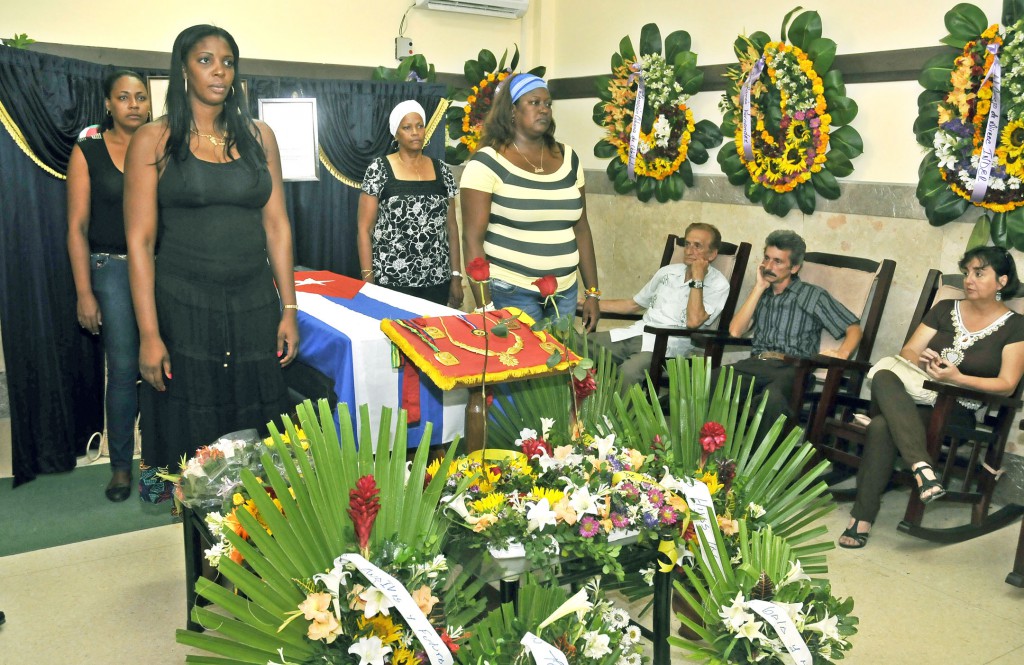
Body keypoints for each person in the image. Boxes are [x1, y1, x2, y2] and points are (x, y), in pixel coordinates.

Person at [124, 25, 297, 502]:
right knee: (192, 447)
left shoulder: (261, 136)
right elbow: (139, 243)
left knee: (259, 451)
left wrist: (289, 309)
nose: (219, 69)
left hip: (254, 306)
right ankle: (201, 553)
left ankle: (257, 554)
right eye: (205, 60)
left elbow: (278, 226)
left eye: (227, 60)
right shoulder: (153, 140)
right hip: (184, 310)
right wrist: (150, 334)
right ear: (183, 69)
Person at [839, 247, 1024, 548]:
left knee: (882, 427)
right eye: (967, 273)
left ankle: (862, 517)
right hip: (916, 393)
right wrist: (924, 362)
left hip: (956, 409)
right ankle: (923, 467)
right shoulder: (944, 309)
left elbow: (1006, 385)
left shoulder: (1016, 326)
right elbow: (908, 351)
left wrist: (957, 378)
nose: (969, 280)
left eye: (979, 273)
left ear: (1001, 282)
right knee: (885, 374)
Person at [66, 69, 151, 502]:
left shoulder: (163, 147)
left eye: (140, 96)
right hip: (112, 269)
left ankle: (159, 463)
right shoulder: (89, 151)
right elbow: (77, 227)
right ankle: (121, 466)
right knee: (122, 370)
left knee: (164, 367)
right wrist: (84, 291)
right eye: (124, 97)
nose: (134, 104)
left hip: (160, 268)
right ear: (108, 104)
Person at [460, 73, 600, 331]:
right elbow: (471, 240)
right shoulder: (486, 163)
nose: (544, 110)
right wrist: (484, 307)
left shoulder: (569, 158)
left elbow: (581, 227)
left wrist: (592, 292)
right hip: (511, 290)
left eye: (547, 104)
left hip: (564, 292)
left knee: (560, 368)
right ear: (512, 110)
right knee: (521, 367)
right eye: (534, 103)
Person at [725, 230, 861, 437]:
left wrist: (843, 353)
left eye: (778, 261)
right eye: (767, 259)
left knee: (772, 399)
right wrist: (759, 288)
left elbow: (854, 329)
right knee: (711, 381)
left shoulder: (812, 295)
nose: (769, 267)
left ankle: (759, 462)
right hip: (757, 364)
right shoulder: (761, 294)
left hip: (793, 369)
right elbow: (735, 331)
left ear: (795, 267)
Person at [590, 223, 730, 388]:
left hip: (666, 348)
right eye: (687, 244)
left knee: (628, 372)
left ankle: (614, 415)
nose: (689, 250)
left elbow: (693, 322)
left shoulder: (718, 284)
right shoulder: (667, 272)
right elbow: (633, 304)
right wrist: (588, 303)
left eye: (697, 246)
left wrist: (697, 279)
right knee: (572, 348)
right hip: (634, 334)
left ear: (713, 254)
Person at [356, 100, 463, 307]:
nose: (415, 132)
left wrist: (456, 276)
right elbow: (364, 229)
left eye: (419, 125)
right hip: (391, 283)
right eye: (407, 127)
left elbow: (451, 228)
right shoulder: (379, 169)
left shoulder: (443, 171)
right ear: (396, 134)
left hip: (437, 281)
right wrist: (368, 281)